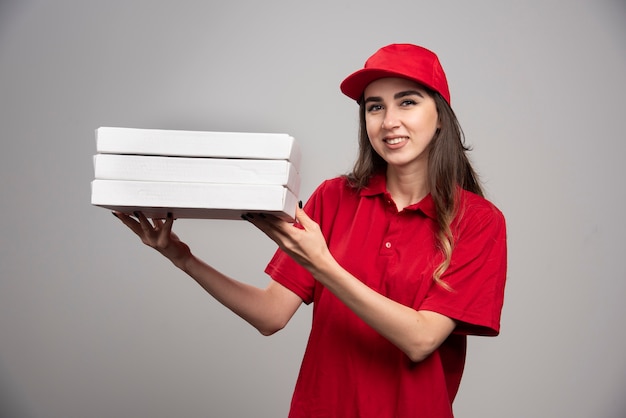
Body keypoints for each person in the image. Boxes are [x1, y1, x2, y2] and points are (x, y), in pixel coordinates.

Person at [113, 43, 507, 418]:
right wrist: (183, 258)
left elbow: (421, 340)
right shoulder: (333, 198)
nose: (389, 121)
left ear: (439, 115)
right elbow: (270, 315)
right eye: (375, 107)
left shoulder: (477, 221)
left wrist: (323, 265)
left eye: (407, 101)